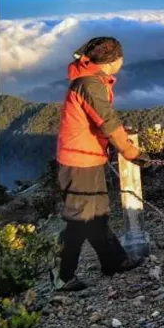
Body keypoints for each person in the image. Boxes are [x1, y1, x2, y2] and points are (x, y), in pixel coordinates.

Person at [51, 37, 148, 292]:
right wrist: (129, 150)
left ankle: (113, 262)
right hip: (80, 160)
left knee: (96, 214)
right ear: (114, 60)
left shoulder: (89, 80)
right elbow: (106, 120)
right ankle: (61, 274)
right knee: (80, 218)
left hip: (85, 157)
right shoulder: (90, 84)